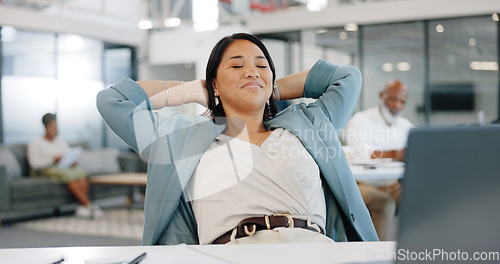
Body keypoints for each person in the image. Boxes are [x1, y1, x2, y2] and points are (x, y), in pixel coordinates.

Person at [97, 33, 378, 245]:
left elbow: (346, 78)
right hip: (230, 252)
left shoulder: (308, 124)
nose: (252, 70)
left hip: (313, 250)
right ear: (214, 83)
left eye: (261, 65)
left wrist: (267, 89)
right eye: (236, 66)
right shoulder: (181, 138)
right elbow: (113, 100)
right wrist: (194, 90)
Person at [343, 79, 415, 240]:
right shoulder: (360, 120)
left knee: (422, 197)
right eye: (393, 99)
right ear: (381, 96)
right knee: (385, 204)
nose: (397, 105)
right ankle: (376, 256)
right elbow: (360, 153)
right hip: (360, 185)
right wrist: (395, 154)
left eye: (402, 102)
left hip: (392, 185)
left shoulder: (405, 126)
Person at [27, 113, 103, 218]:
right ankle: (88, 204)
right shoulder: (36, 142)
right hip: (44, 169)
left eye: (56, 127)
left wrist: (71, 161)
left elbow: (68, 153)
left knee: (81, 173)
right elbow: (34, 164)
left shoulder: (60, 141)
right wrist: (53, 159)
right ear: (46, 127)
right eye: (52, 127)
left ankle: (82, 206)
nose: (54, 129)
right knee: (69, 175)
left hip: (62, 166)